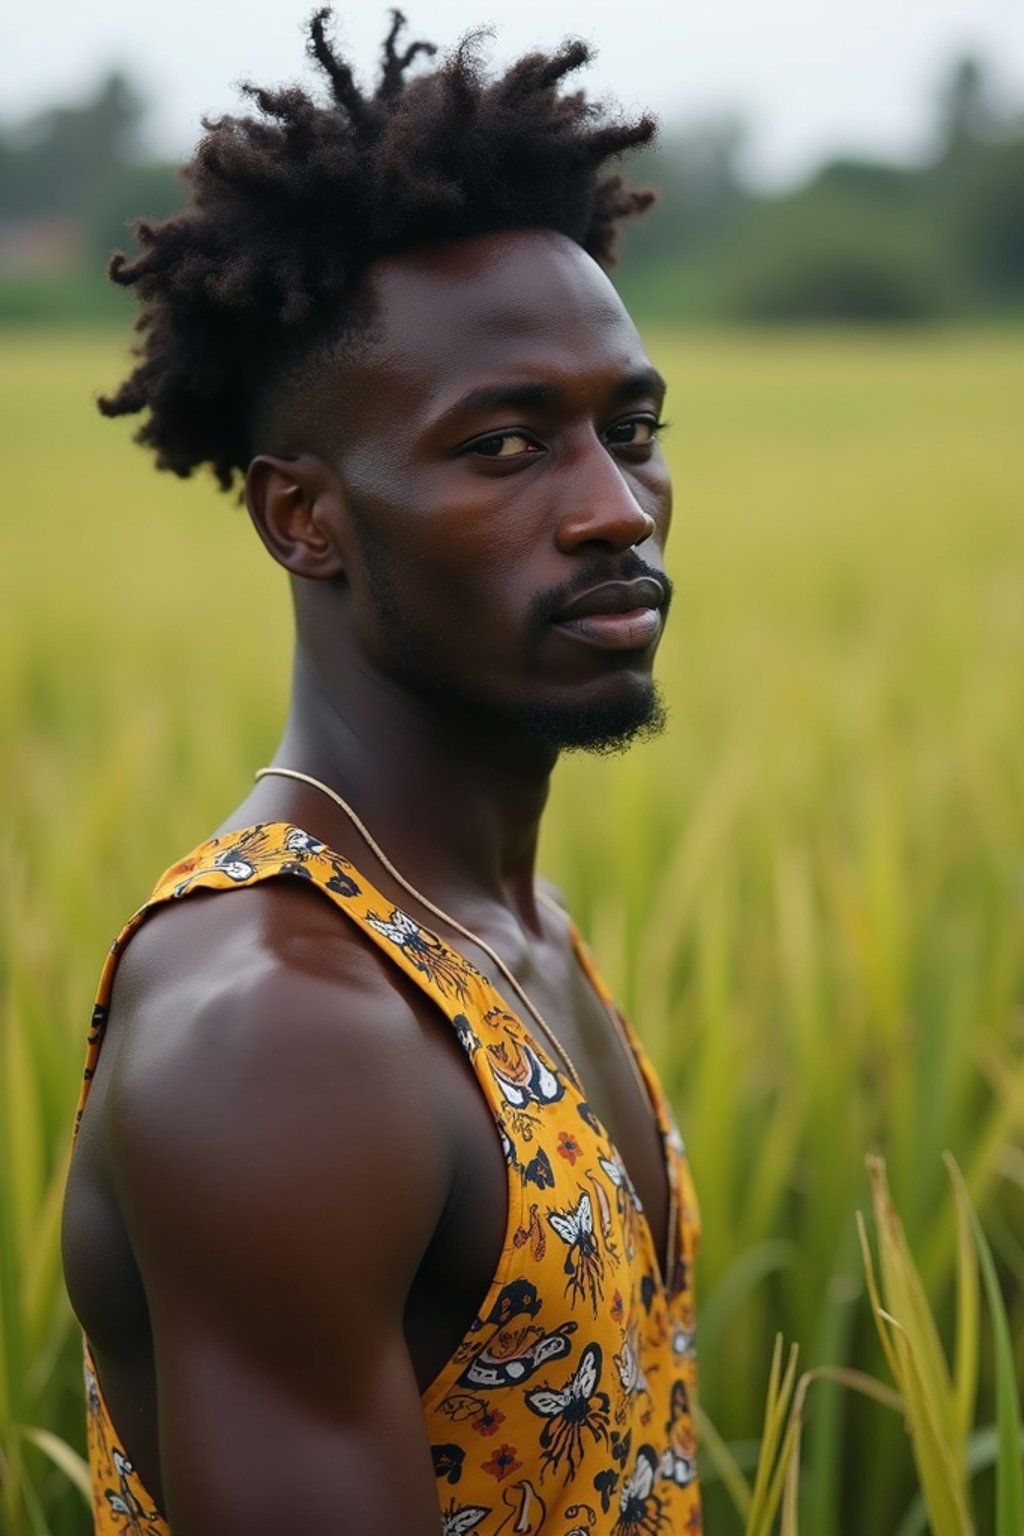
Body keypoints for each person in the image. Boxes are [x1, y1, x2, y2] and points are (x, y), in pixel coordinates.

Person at [61, 11, 701, 1534]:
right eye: (504, 445)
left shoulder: (502, 920)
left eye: (633, 427)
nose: (618, 508)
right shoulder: (288, 1033)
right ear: (305, 520)